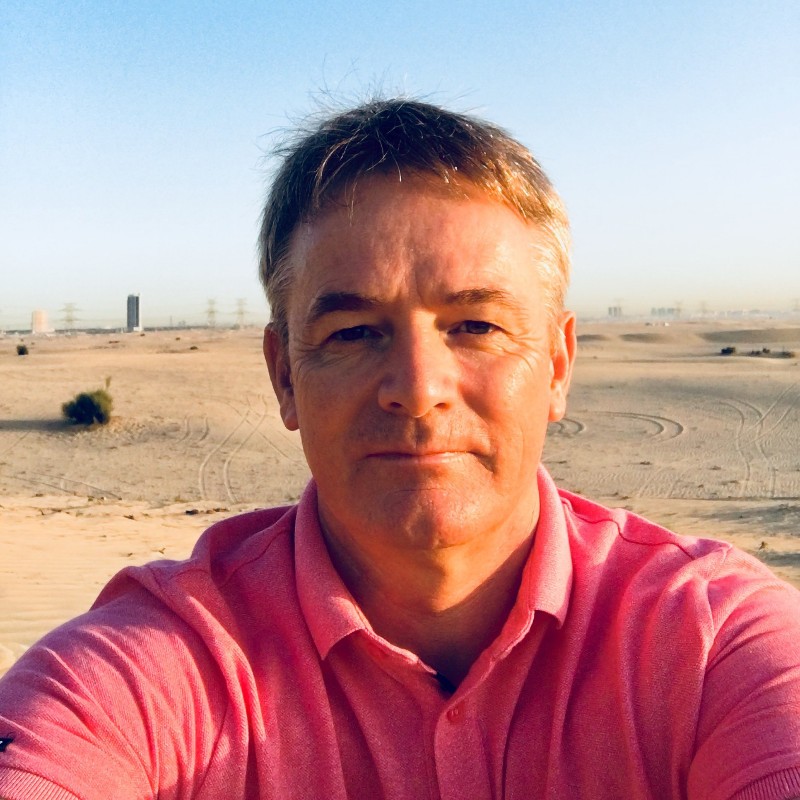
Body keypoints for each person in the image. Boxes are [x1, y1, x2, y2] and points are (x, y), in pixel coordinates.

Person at [1, 98, 799, 800]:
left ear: (557, 367)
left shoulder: (712, 641)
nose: (417, 389)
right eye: (353, 333)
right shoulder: (154, 667)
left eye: (476, 326)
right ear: (285, 376)